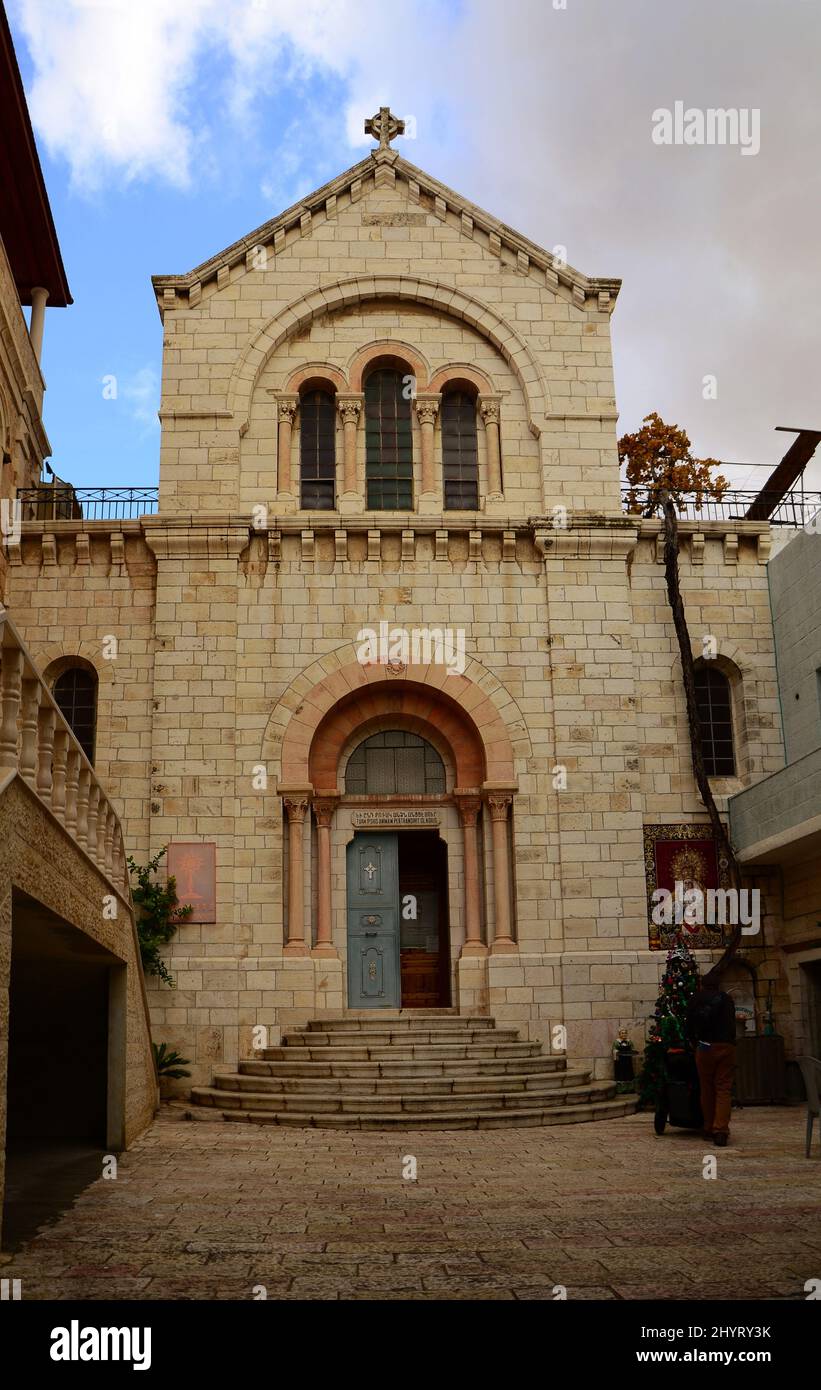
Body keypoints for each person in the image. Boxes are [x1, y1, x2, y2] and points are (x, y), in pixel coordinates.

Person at [687, 969, 737, 1146]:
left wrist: (695, 1043)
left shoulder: (696, 1000)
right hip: (725, 1045)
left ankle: (708, 1127)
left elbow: (689, 1024)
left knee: (706, 1087)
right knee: (723, 1088)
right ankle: (721, 1129)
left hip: (705, 1046)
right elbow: (732, 1023)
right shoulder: (726, 999)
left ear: (701, 984)